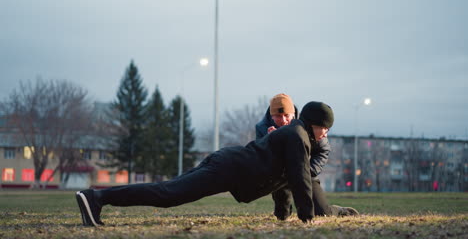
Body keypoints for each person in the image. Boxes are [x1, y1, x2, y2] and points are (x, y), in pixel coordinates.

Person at [76, 101, 351, 227]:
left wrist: (284, 214)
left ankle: (98, 198)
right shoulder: (298, 137)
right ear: (314, 123)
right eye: (324, 128)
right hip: (228, 169)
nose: (325, 133)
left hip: (228, 164)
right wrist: (307, 217)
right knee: (169, 194)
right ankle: (97, 197)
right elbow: (299, 175)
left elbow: (285, 178)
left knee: (169, 190)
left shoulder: (295, 135)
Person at [255, 94, 359, 220]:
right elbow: (262, 156)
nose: (283, 120)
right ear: (271, 116)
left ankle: (340, 210)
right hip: (280, 174)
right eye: (278, 116)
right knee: (282, 215)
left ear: (293, 114)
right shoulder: (262, 128)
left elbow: (323, 150)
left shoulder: (307, 123)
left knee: (322, 212)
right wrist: (269, 140)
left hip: (305, 170)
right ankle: (284, 211)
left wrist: (307, 171)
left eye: (287, 116)